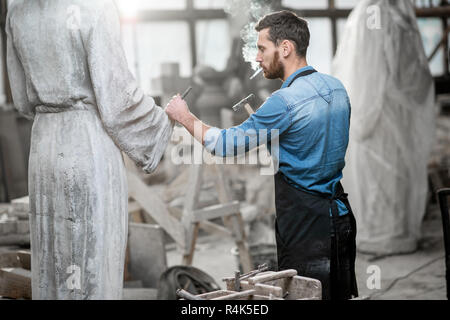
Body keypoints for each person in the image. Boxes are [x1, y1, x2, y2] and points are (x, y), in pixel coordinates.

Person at [165, 10, 358, 300]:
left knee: (305, 294)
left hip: (305, 225)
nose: (257, 58)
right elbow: (315, 145)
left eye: (261, 48)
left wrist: (185, 116)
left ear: (285, 48)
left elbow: (224, 144)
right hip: (340, 216)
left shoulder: (283, 102)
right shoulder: (337, 88)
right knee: (339, 294)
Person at [6, 0, 173, 299]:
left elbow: (20, 98)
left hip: (43, 144)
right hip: (86, 143)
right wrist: (159, 121)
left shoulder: (17, 11)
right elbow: (116, 94)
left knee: (52, 260)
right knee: (92, 261)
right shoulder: (95, 7)